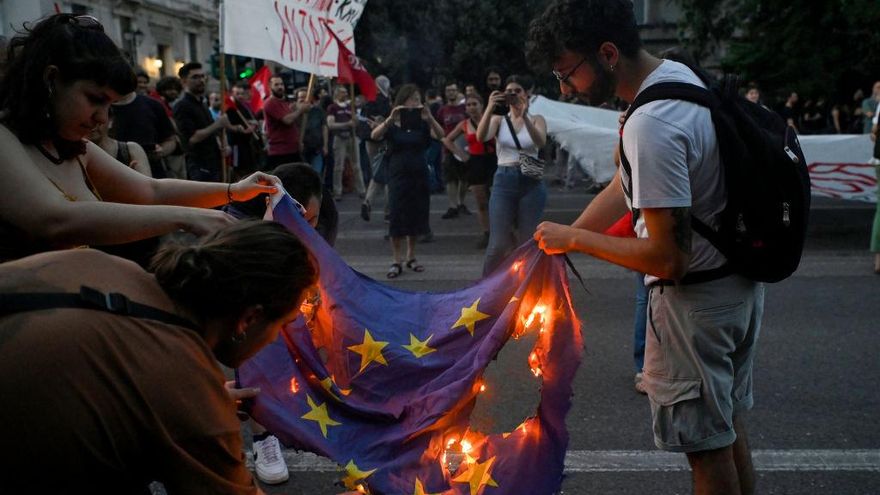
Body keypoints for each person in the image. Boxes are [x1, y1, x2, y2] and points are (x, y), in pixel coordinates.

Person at [527, 2, 765, 494]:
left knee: (707, 451)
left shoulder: (651, 124)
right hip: (734, 285)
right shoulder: (676, 77)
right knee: (728, 428)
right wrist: (566, 237)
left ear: (607, 54)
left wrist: (574, 239)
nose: (564, 88)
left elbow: (666, 258)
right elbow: (627, 184)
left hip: (695, 307)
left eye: (566, 73)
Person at [0, 220, 316, 493]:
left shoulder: (107, 266)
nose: (277, 338)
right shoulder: (188, 391)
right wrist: (200, 407)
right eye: (283, 325)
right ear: (249, 319)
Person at [0, 14, 279, 263]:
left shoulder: (76, 149)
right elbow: (56, 220)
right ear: (51, 80)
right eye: (95, 100)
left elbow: (151, 191)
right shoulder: (5, 138)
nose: (102, 118)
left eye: (110, 106)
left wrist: (234, 190)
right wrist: (186, 218)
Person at [475, 74, 548, 275]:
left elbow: (540, 142)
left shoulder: (536, 119)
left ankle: (524, 288)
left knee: (527, 241)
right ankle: (486, 291)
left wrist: (524, 115)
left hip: (530, 182)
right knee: (498, 244)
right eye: (509, 92)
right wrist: (490, 107)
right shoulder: (499, 120)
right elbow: (481, 137)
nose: (513, 95)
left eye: (518, 91)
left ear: (527, 94)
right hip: (504, 178)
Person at [370, 84, 445, 278]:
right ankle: (396, 260)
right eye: (412, 99)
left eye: (418, 99)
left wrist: (430, 119)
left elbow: (440, 135)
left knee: (416, 215)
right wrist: (390, 118)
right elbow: (374, 135)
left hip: (419, 173)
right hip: (397, 174)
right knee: (397, 214)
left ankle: (411, 256)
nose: (415, 103)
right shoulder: (393, 123)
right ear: (403, 100)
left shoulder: (422, 122)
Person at [442, 94, 497, 248]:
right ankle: (487, 233)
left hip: (493, 161)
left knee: (497, 200)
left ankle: (502, 231)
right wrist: (461, 154)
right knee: (481, 201)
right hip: (475, 162)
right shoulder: (464, 124)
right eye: (469, 105)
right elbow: (447, 139)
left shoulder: (493, 119)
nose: (472, 107)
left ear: (482, 105)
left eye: (475, 104)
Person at [174, 62, 239, 182]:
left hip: (214, 162)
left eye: (202, 76)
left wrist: (224, 146)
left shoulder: (202, 104)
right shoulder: (182, 106)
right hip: (199, 166)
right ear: (183, 81)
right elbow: (192, 138)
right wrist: (218, 124)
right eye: (195, 77)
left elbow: (212, 132)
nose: (201, 80)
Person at [437, 82, 470, 219]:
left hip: (464, 147)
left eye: (453, 90)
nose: (451, 93)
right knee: (450, 178)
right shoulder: (442, 110)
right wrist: (442, 138)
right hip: (448, 148)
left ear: (458, 92)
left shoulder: (465, 108)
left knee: (464, 178)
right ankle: (452, 205)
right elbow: (436, 128)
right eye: (448, 90)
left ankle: (461, 202)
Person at [327, 85, 366, 200]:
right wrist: (346, 124)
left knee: (357, 165)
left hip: (351, 137)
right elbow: (330, 124)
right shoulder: (332, 108)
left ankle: (362, 190)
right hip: (339, 138)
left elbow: (355, 121)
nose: (346, 94)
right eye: (343, 92)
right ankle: (337, 191)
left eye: (346, 92)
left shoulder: (350, 107)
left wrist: (356, 121)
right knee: (339, 166)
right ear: (337, 94)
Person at [264, 75, 309, 168]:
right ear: (270, 86)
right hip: (280, 152)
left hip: (292, 150)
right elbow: (287, 120)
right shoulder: (270, 103)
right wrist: (300, 110)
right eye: (276, 85)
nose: (280, 87)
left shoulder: (284, 102)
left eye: (281, 84)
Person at [227, 81, 264, 179]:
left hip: (248, 145)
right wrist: (243, 129)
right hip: (237, 145)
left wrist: (253, 124)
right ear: (232, 94)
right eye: (237, 94)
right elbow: (231, 125)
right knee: (239, 170)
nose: (240, 96)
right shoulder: (230, 109)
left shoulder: (244, 106)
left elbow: (249, 120)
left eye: (242, 94)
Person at [296, 86, 330, 177]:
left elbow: (324, 128)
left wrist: (325, 146)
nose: (303, 99)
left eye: (305, 97)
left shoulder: (318, 111)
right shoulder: (294, 112)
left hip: (316, 148)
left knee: (316, 173)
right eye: (300, 98)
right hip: (301, 150)